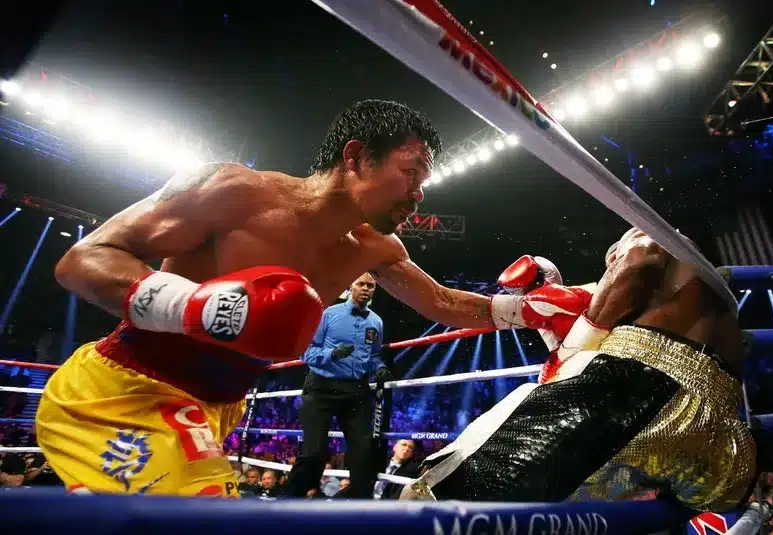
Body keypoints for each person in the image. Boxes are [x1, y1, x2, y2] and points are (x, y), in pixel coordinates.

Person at [37, 99, 587, 496]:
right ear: (355, 158)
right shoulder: (237, 193)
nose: (419, 192)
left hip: (212, 408)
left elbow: (444, 305)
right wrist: (195, 307)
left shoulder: (376, 248)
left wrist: (526, 309)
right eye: (410, 172)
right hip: (122, 392)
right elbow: (83, 260)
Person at [401, 227, 756, 512]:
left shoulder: (652, 238)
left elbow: (641, 260)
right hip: (724, 439)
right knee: (598, 511)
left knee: (442, 495)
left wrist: (573, 346)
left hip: (638, 390)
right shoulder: (701, 294)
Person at [285, 272, 389, 499]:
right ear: (351, 286)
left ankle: (360, 508)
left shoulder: (376, 322)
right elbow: (305, 351)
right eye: (361, 284)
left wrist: (378, 367)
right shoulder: (328, 314)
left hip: (356, 391)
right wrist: (331, 353)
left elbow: (373, 356)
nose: (366, 289)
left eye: (370, 286)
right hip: (321, 387)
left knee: (363, 452)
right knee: (314, 453)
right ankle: (287, 502)